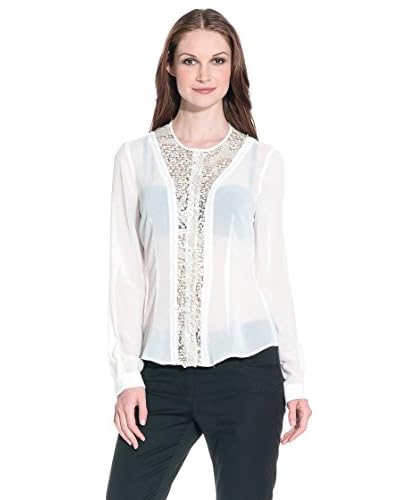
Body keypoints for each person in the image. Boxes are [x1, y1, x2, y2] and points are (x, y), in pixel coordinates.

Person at [106, 8, 312, 500]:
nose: (204, 74)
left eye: (217, 60)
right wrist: (127, 375)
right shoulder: (134, 159)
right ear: (170, 66)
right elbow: (127, 273)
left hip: (249, 376)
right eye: (190, 60)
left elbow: (273, 272)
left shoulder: (262, 162)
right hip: (159, 379)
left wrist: (296, 379)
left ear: (233, 68)